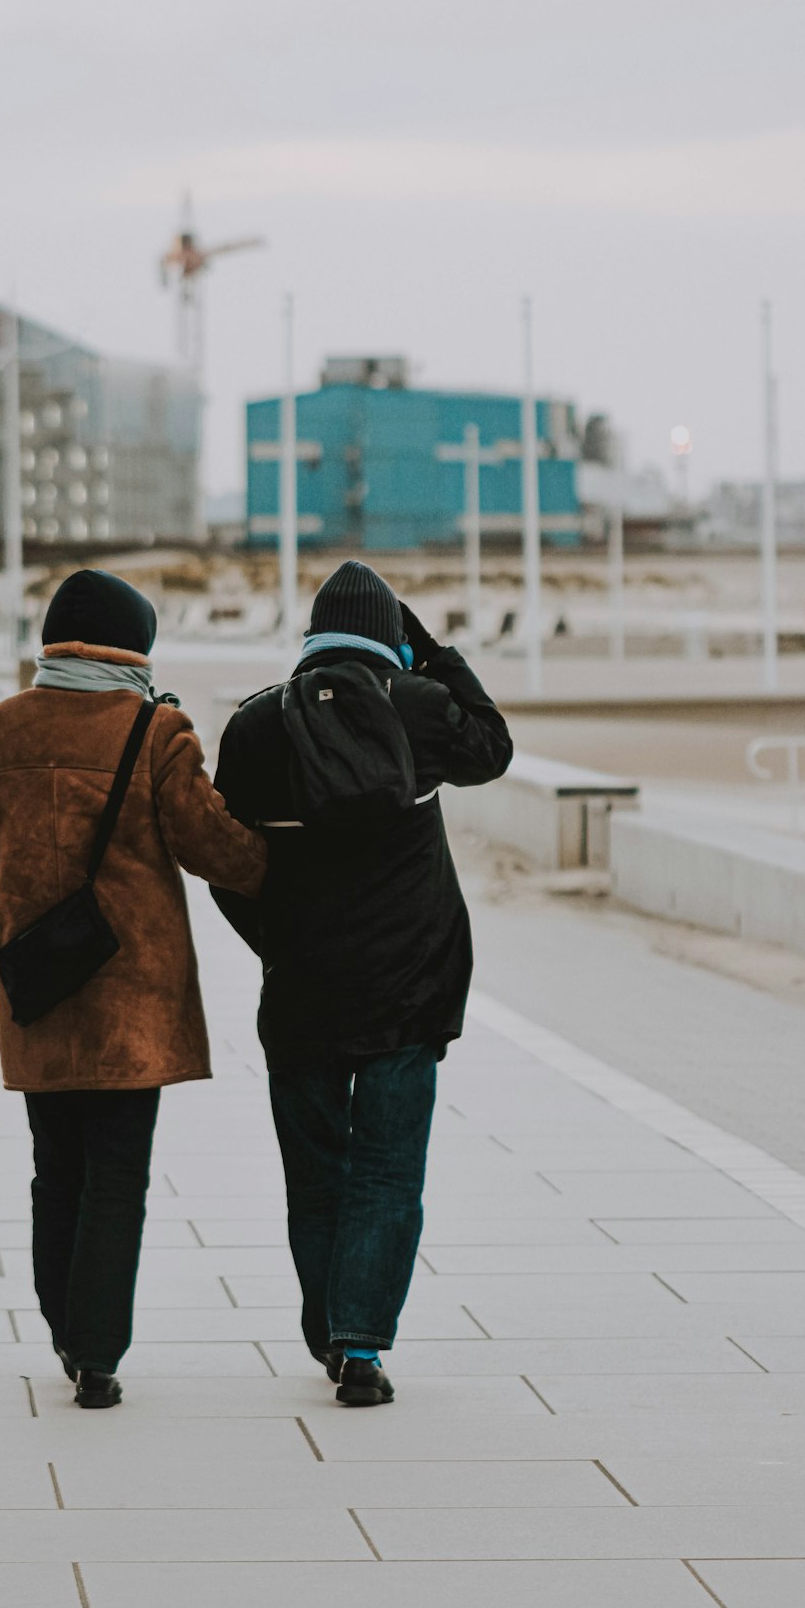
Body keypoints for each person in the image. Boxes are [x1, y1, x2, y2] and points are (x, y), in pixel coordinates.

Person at [0, 570, 265, 1408]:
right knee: (118, 1175)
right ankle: (97, 1353)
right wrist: (285, 862)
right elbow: (213, 848)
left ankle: (63, 1327)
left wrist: (8, 954)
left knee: (58, 1170)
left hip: (37, 998)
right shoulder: (156, 729)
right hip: (135, 1005)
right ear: (134, 647)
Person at [211, 561, 513, 1405]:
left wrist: (274, 943)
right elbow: (493, 745)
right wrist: (434, 651)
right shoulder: (416, 708)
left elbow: (229, 868)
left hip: (302, 988)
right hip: (411, 991)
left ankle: (328, 1332)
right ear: (389, 635)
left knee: (316, 1174)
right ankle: (362, 1347)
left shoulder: (256, 726)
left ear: (310, 636)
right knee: (387, 1170)